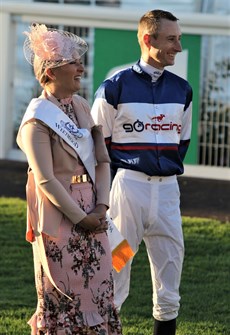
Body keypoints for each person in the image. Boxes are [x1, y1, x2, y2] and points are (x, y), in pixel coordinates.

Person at [91, 9, 193, 335]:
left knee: (170, 274)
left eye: (179, 39)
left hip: (167, 194)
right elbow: (97, 146)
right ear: (149, 40)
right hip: (127, 191)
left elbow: (182, 142)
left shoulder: (182, 90)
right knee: (115, 269)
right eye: (172, 39)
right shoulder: (114, 87)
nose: (178, 46)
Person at [16, 23, 122, 335]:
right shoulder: (37, 119)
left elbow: (102, 160)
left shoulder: (82, 106)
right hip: (59, 217)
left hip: (95, 210)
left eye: (78, 61)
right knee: (64, 296)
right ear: (49, 73)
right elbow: (46, 180)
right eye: (72, 62)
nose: (81, 67)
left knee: (102, 288)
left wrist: (101, 207)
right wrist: (82, 218)